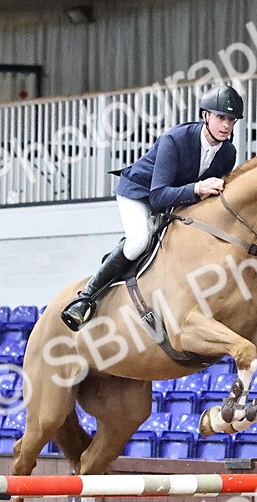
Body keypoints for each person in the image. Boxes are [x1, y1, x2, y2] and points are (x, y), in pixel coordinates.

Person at [60, 84, 244, 331]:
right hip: (140, 194)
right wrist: (197, 189)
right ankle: (86, 296)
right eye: (220, 117)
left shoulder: (228, 153)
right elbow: (158, 196)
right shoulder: (175, 140)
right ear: (205, 115)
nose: (226, 125)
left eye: (231, 120)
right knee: (140, 241)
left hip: (177, 201)